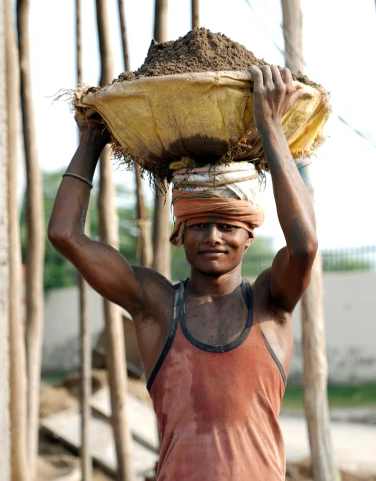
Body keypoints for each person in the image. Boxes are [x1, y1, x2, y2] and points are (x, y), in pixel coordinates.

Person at [48, 65, 317, 481]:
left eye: (227, 225)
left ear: (248, 236)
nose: (213, 237)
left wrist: (270, 127)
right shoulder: (155, 307)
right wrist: (91, 141)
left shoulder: (271, 303)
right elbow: (65, 234)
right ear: (179, 234)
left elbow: (305, 245)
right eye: (198, 225)